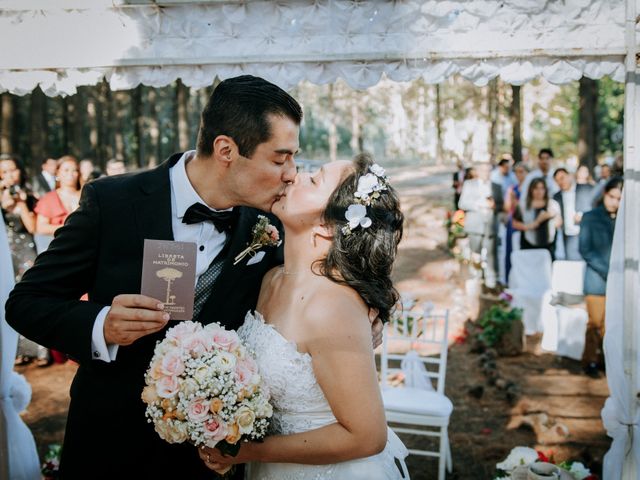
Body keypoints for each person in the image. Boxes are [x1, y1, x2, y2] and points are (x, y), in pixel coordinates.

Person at [6, 76, 382, 479]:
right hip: (111, 443)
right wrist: (103, 326)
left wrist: (372, 313)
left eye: (294, 159)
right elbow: (26, 304)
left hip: (209, 459)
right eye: (279, 158)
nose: (290, 174)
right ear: (226, 150)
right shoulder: (112, 202)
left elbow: (330, 270)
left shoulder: (272, 223)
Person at [200, 154, 408, 479]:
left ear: (327, 227)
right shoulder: (271, 279)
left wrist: (249, 451)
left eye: (313, 179)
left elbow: (368, 436)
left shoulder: (333, 305)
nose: (295, 175)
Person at [0, 155, 48, 366]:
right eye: (4, 171)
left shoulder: (28, 195)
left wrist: (21, 204)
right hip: (4, 253)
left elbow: (32, 228)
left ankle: (37, 350)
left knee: (28, 297)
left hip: (25, 251)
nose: (10, 175)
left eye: (13, 170)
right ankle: (12, 350)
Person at [579, 177, 622, 377]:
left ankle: (607, 361)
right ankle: (589, 361)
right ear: (605, 194)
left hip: (619, 281)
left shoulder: (624, 220)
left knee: (611, 325)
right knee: (595, 323)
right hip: (596, 279)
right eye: (612, 197)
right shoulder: (590, 217)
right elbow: (585, 249)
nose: (615, 202)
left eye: (619, 198)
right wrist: (608, 270)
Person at [459, 162, 503, 288]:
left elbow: (501, 205)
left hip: (491, 226)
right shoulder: (469, 184)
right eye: (483, 170)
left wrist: (494, 206)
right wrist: (477, 204)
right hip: (474, 225)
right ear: (477, 172)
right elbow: (462, 203)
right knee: (475, 254)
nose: (486, 173)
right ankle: (476, 280)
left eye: (488, 170)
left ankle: (491, 283)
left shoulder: (496, 186)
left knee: (491, 256)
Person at [512, 178, 562, 259]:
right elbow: (515, 223)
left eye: (542, 188)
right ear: (531, 190)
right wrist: (533, 224)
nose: (539, 191)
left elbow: (559, 222)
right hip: (528, 243)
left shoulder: (552, 204)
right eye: (536, 188)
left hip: (548, 245)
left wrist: (549, 218)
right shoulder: (523, 205)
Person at [34, 156, 82, 239]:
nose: (70, 174)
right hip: (60, 245)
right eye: (66, 170)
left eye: (75, 170)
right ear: (57, 173)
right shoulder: (49, 198)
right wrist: (67, 228)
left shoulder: (86, 196)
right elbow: (41, 227)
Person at [552, 167, 594, 261]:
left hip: (585, 233)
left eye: (562, 178)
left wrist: (583, 216)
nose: (561, 182)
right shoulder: (556, 197)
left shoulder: (586, 189)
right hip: (568, 237)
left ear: (569, 176)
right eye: (557, 180)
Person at [503, 162, 528, 281]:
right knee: (512, 250)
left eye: (521, 171)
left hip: (526, 223)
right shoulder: (512, 189)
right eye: (516, 172)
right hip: (513, 223)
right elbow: (507, 207)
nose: (518, 174)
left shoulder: (530, 189)